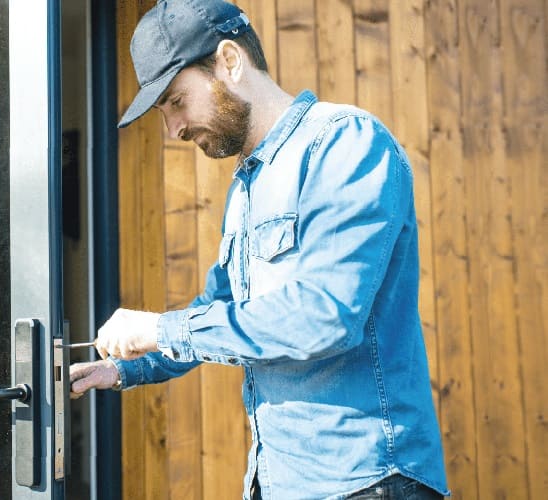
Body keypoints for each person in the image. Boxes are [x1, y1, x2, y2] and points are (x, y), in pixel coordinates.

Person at [69, 1, 450, 498]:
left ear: (229, 61)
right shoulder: (246, 187)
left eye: (177, 101)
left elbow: (324, 316)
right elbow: (219, 315)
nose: (173, 130)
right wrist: (123, 367)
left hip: (367, 482)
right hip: (277, 482)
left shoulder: (344, 143)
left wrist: (158, 328)